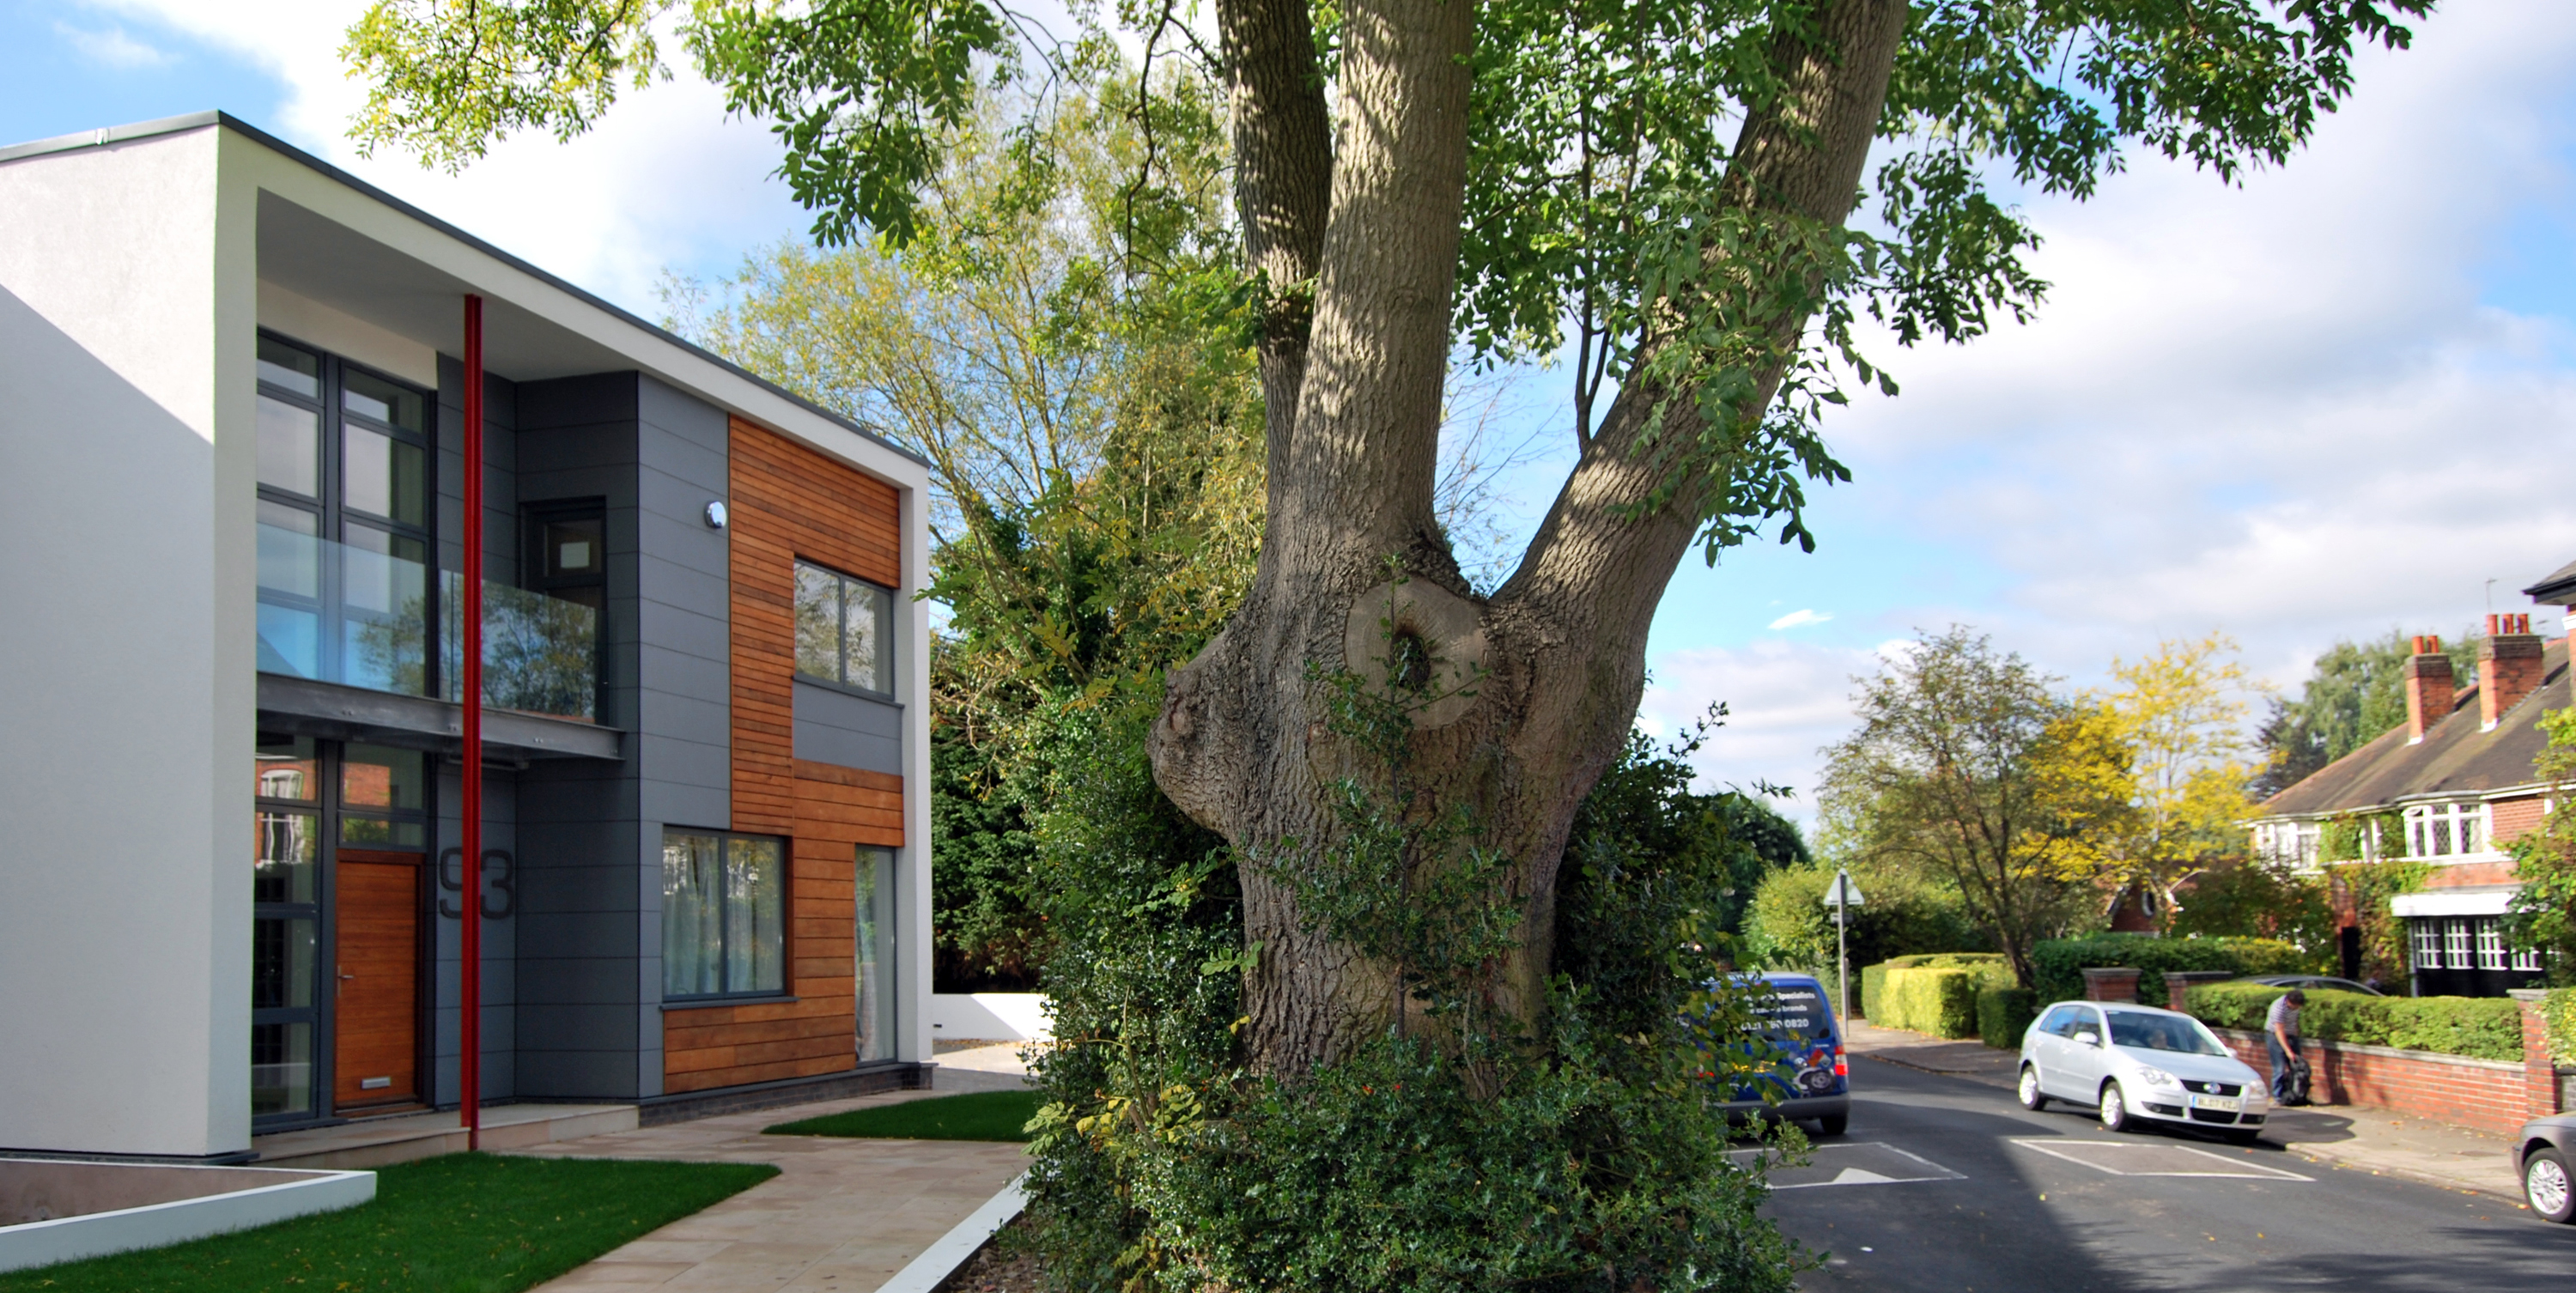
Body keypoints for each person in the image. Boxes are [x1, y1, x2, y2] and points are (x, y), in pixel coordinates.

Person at [2266, 989, 2306, 1105]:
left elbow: (2295, 1024)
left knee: (2297, 1067)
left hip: (2291, 1035)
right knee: (2280, 1068)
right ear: (2288, 1001)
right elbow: (2279, 1031)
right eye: (2294, 1006)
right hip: (2275, 1037)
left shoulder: (2296, 1007)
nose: (2296, 1009)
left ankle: (2296, 1095)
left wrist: (2295, 1040)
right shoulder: (2278, 1007)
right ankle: (2277, 1097)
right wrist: (2288, 1051)